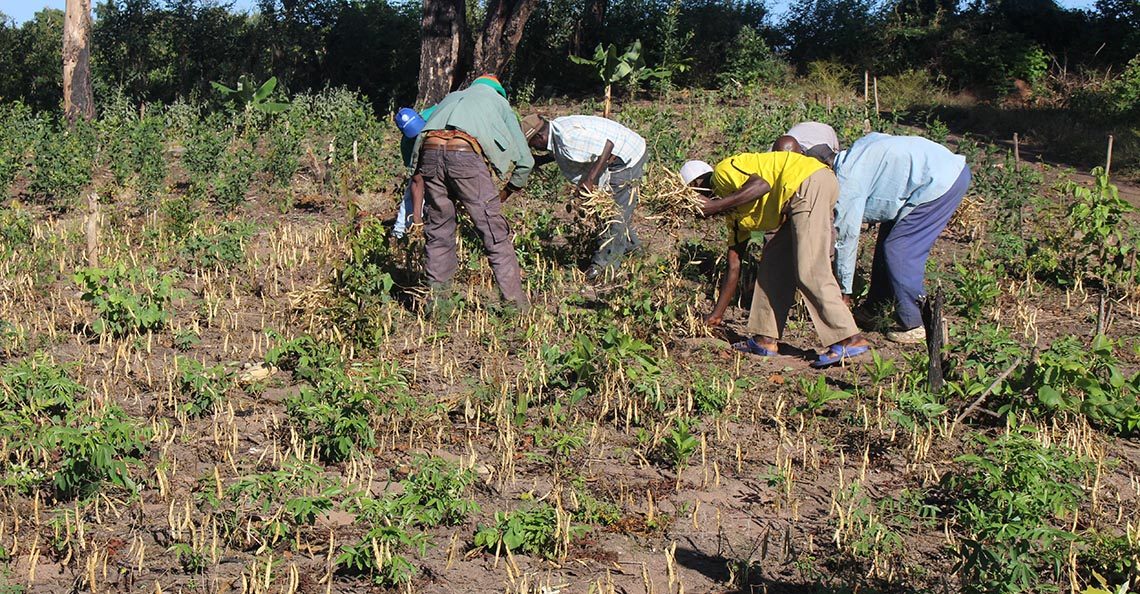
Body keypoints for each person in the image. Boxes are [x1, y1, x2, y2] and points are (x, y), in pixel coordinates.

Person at [682, 143, 869, 368]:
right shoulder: (732, 215)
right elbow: (734, 266)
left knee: (810, 267)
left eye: (691, 196)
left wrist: (714, 206)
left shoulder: (722, 174)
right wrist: (716, 316)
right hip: (792, 201)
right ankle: (765, 338)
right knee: (773, 266)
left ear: (698, 185)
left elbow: (762, 184)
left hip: (808, 182)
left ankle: (849, 338)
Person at [807, 132, 971, 343]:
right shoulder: (856, 152)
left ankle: (916, 323)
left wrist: (843, 291)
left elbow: (847, 238)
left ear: (824, 168)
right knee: (888, 238)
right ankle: (875, 308)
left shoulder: (847, 180)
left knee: (900, 248)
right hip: (943, 168)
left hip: (941, 181)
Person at [409, 75, 534, 310]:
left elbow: (415, 135)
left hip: (430, 152)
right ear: (499, 92)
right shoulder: (499, 103)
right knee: (494, 234)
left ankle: (438, 306)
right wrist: (505, 193)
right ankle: (516, 308)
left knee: (438, 230)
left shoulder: (452, 97)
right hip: (464, 153)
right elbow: (526, 162)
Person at [519, 114, 647, 280]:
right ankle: (634, 250)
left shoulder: (569, 138)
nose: (533, 148)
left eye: (532, 144)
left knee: (614, 216)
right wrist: (541, 160)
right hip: (621, 149)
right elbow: (576, 150)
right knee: (612, 212)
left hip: (626, 158)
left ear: (540, 137)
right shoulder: (555, 130)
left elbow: (608, 146)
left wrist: (590, 180)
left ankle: (603, 267)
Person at [392, 106, 434, 239]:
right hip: (423, 163)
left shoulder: (434, 114)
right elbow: (417, 179)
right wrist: (417, 220)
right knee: (412, 193)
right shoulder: (407, 146)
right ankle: (401, 232)